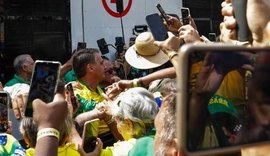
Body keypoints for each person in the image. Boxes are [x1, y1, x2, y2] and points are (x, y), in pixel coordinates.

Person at [80, 87, 159, 156]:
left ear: (128, 124)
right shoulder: (165, 133)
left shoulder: (124, 150)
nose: (117, 126)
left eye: (116, 120)